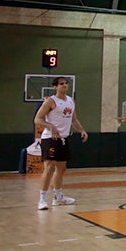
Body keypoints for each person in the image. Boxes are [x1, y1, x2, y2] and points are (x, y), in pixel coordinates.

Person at [34, 76, 88, 210]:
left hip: (63, 138)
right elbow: (38, 119)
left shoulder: (70, 101)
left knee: (61, 169)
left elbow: (74, 119)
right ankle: (42, 199)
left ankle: (58, 198)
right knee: (49, 167)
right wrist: (50, 126)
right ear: (55, 87)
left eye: (66, 83)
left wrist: (82, 130)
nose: (64, 85)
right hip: (50, 139)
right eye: (61, 84)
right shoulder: (51, 101)